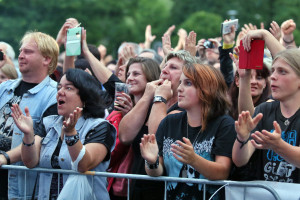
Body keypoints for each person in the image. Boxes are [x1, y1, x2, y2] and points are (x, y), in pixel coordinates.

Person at [11, 68, 116, 199]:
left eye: (68, 88)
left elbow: (83, 165)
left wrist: (71, 134)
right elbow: (30, 162)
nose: (60, 92)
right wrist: (28, 134)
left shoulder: (100, 126)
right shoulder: (48, 123)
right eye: (59, 88)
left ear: (85, 97)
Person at [140, 63, 236, 199]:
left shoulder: (224, 124)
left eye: (188, 83)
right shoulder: (169, 122)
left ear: (207, 88)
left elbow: (222, 172)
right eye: (180, 83)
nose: (179, 88)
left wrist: (194, 160)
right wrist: (152, 162)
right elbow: (157, 172)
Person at [232, 29, 300, 183]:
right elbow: (240, 160)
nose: (273, 77)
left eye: (282, 72)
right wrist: (241, 138)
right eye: (273, 71)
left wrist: (279, 146)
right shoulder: (264, 110)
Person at [0, 31, 59, 199]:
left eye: (28, 51)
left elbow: (39, 140)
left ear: (46, 59)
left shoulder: (55, 95)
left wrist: (4, 158)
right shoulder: (5, 87)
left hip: (19, 184)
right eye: (20, 51)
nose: (20, 55)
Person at [118, 57, 162, 200]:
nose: (129, 78)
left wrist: (149, 94)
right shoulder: (128, 108)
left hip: (156, 186)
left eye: (136, 74)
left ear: (150, 78)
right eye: (128, 74)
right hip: (136, 185)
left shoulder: (158, 108)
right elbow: (125, 137)